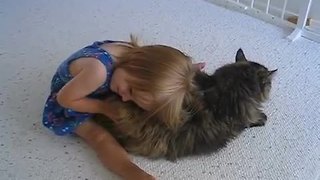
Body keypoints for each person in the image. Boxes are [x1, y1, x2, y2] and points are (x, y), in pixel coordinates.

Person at [42, 35, 205, 180]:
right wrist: (103, 107)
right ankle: (134, 174)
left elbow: (164, 63)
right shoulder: (97, 72)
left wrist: (185, 72)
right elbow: (64, 99)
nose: (125, 98)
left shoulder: (137, 56)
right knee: (99, 137)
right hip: (70, 96)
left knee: (167, 93)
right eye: (130, 91)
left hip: (92, 81)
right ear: (138, 65)